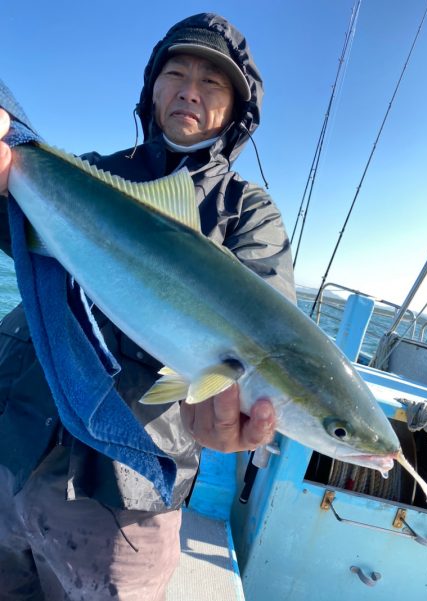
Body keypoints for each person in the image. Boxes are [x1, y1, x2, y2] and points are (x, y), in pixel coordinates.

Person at [0, 13, 296, 601]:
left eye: (213, 83)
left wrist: (231, 404)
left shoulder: (248, 213)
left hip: (121, 488)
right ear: (152, 88)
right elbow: (17, 231)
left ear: (236, 109)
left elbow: (267, 328)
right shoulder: (91, 173)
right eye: (176, 72)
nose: (190, 89)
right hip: (12, 435)